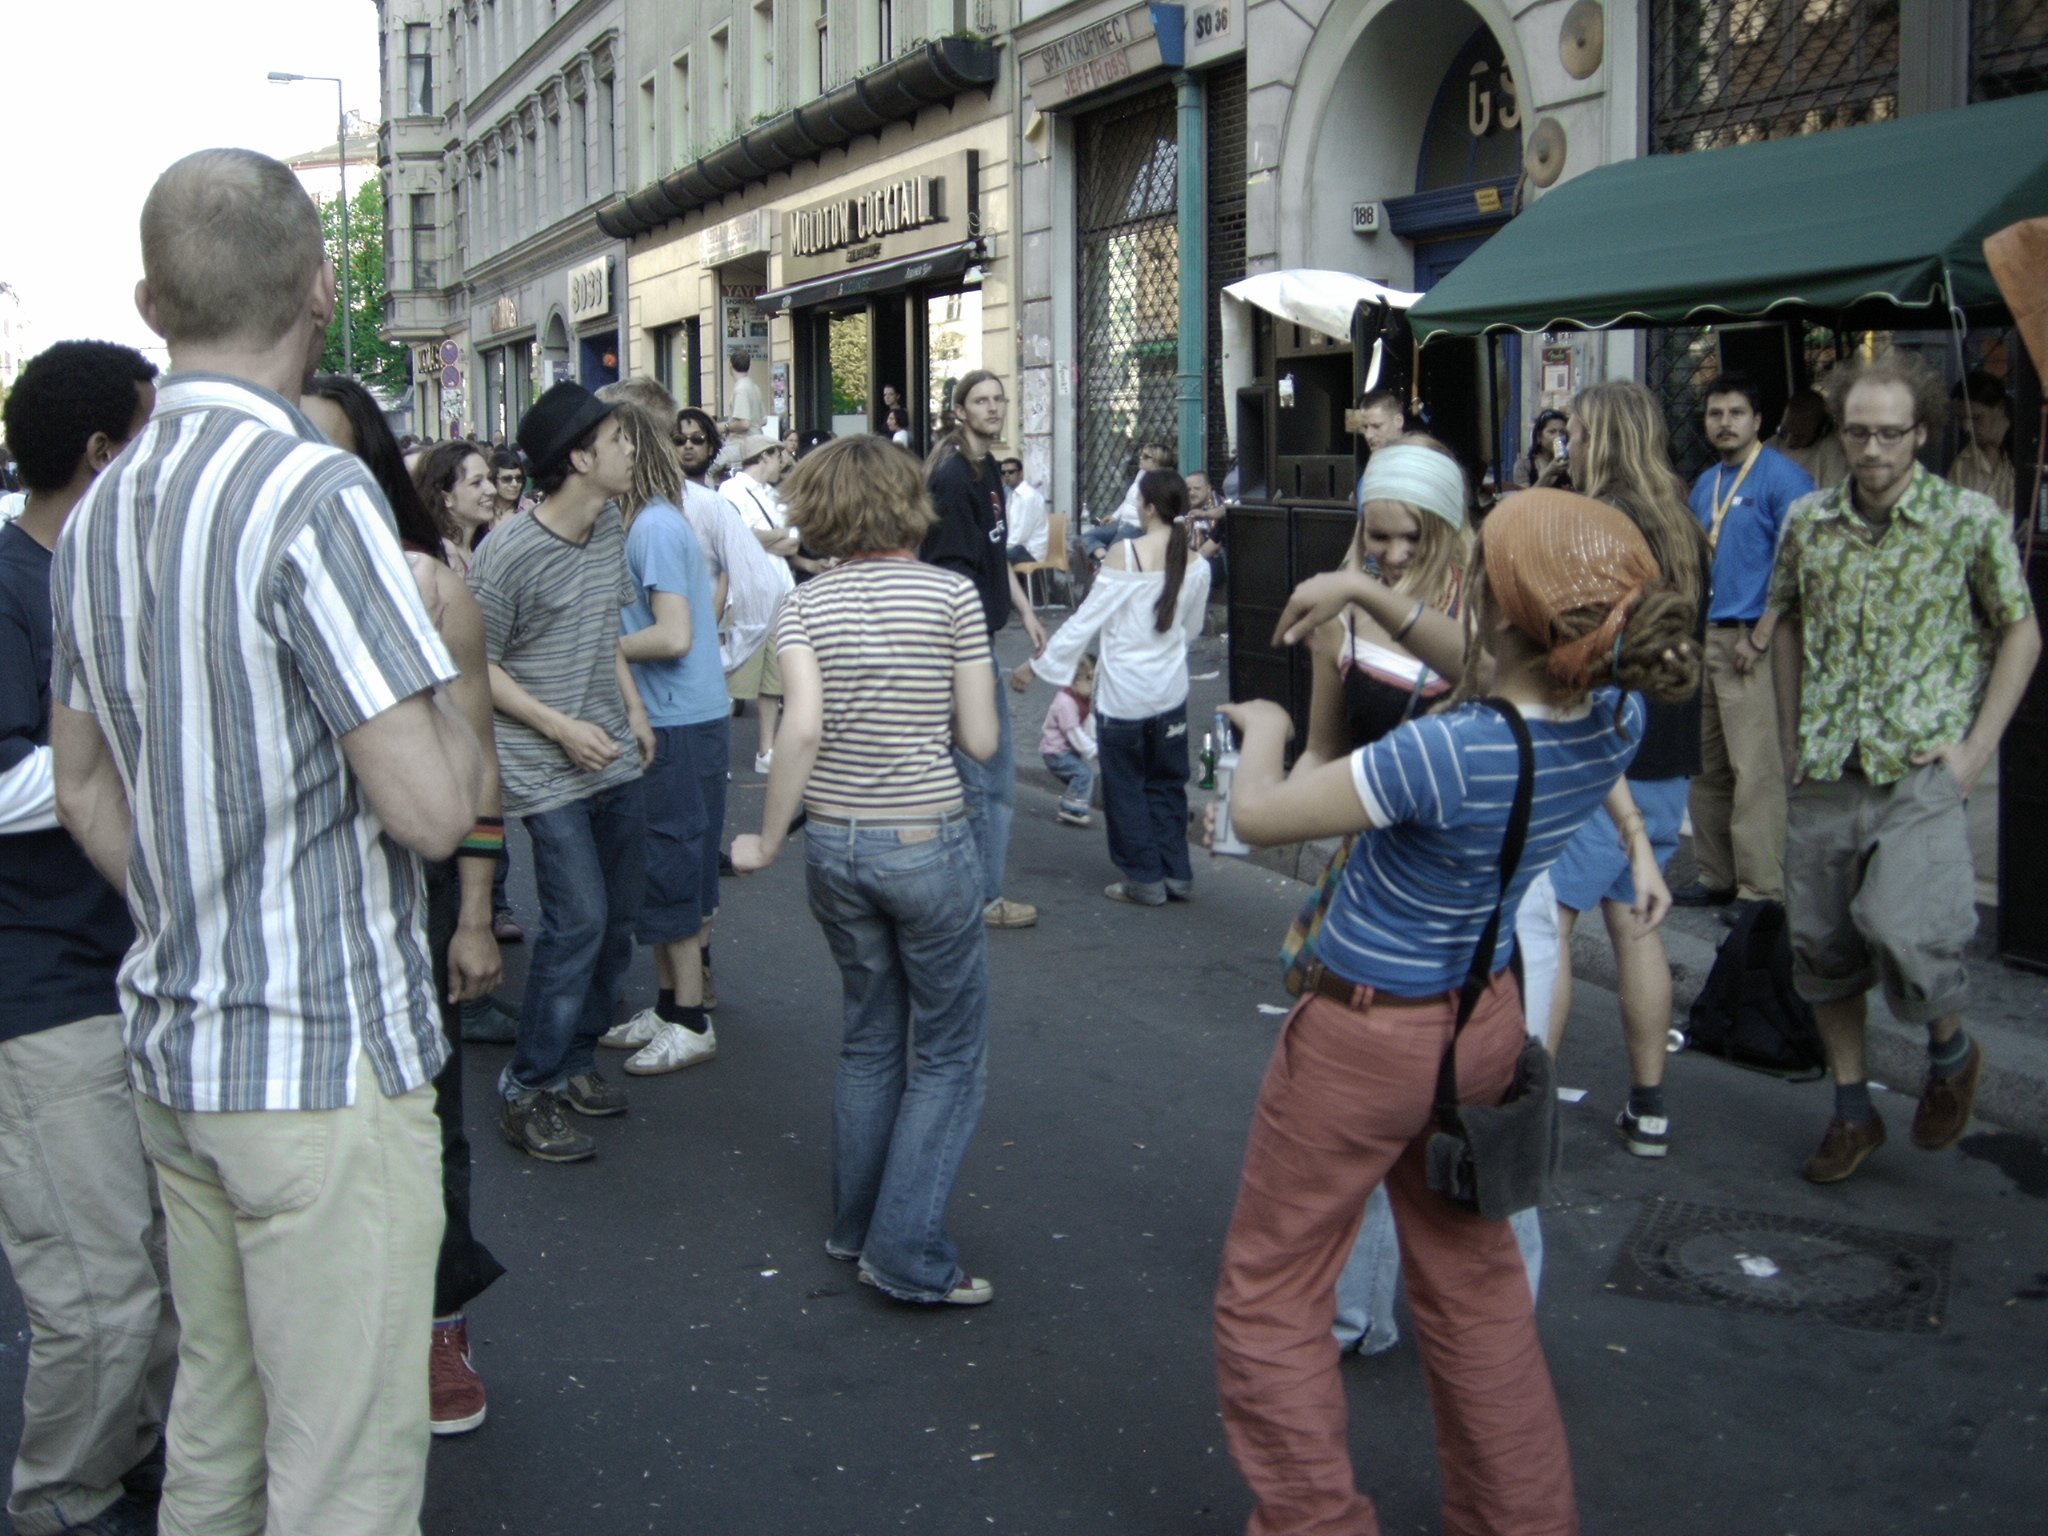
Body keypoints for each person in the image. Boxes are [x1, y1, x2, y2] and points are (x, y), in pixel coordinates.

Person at [50, 148, 483, 1535]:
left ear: (150, 300)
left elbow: (81, 789)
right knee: (342, 1474)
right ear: (320, 285)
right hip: (318, 1062)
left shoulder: (99, 509)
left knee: (219, 1442)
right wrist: (458, 667)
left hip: (179, 1046)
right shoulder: (314, 494)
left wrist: (198, 900)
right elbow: (426, 809)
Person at [1213, 487, 1696, 1536]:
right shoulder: (1614, 716)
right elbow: (1494, 659)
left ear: (1487, 599)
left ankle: (1312, 1521)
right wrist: (1364, 594)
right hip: (1478, 1027)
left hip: (1360, 1036)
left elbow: (1256, 817)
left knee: (1272, 1287)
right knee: (1475, 1297)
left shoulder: (1444, 752)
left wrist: (1269, 725)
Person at [730, 435, 1001, 1305]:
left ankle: (855, 1228)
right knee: (950, 1053)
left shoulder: (807, 605)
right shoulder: (951, 595)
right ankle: (907, 1248)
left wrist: (768, 841)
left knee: (870, 1037)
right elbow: (984, 741)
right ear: (905, 503)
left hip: (837, 849)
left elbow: (799, 729)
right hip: (925, 840)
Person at [1770, 350, 2040, 1184]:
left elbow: (2021, 632)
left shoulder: (1966, 521)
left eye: (1891, 434)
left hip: (1919, 768)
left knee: (1905, 928)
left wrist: (1973, 750)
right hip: (1825, 763)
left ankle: (1951, 1051)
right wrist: (1788, 739)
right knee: (1822, 947)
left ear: (1921, 434)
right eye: (1859, 433)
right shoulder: (1809, 522)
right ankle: (1854, 1114)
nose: (1873, 450)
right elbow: (1781, 622)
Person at [301, 372, 510, 1437]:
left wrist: (474, 910)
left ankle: (437, 1320)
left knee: (428, 1108)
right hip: (297, 893)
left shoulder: (429, 585)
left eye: (335, 452)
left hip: (415, 887)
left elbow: (475, 762)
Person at [1, 340, 177, 1536]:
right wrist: (117, 746)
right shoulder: (8, 584)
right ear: (103, 454)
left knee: (160, 1285)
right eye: (150, 439)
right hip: (39, 987)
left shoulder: (110, 578)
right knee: (100, 1294)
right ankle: (62, 1504)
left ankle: (132, 1469)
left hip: (131, 973)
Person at [467, 381, 656, 1164]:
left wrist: (634, 711)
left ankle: (576, 1059)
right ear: (579, 458)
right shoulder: (507, 551)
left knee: (616, 919)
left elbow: (603, 629)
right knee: (577, 917)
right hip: (544, 762)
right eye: (617, 440)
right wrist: (559, 726)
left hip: (610, 749)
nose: (629, 450)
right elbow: (477, 665)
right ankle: (529, 1085)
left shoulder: (609, 522)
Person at [1544, 380, 1712, 1159]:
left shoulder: (1596, 523)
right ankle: (1650, 1109)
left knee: (1550, 924)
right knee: (1639, 928)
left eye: (1573, 431)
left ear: (1600, 436)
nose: (1564, 444)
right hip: (1670, 743)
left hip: (1601, 748)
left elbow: (1573, 642)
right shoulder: (1684, 521)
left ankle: (1528, 1103)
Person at [587, 396, 728, 1077]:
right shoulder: (647, 524)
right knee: (666, 866)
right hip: (675, 718)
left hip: (676, 720)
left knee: (672, 866)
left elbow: (673, 635)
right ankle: (671, 1007)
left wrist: (597, 644)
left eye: (609, 441)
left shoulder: (654, 529)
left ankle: (692, 1018)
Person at [1015, 468, 1210, 904]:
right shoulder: (1196, 563)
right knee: (1166, 785)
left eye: (1137, 500)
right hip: (1171, 693)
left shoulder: (1125, 555)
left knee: (1125, 788)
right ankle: (1177, 872)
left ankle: (1144, 878)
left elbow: (1086, 620)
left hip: (1124, 698)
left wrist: (1037, 664)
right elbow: (1191, 628)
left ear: (1150, 507)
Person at [1672, 371, 1814, 915]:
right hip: (1707, 637)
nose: (1724, 422)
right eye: (1715, 413)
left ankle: (1761, 889)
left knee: (1755, 770)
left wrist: (1761, 637)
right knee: (1707, 768)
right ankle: (1716, 876)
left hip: (1753, 643)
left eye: (1736, 413)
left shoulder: (1785, 479)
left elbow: (1798, 564)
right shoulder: (1707, 483)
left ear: (1758, 420)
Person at [922, 369, 1049, 928]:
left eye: (999, 399)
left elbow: (994, 554)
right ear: (959, 411)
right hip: (963, 649)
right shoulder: (953, 480)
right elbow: (951, 577)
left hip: (981, 642)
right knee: (988, 779)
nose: (994, 408)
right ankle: (981, 898)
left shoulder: (989, 468)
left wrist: (1025, 610)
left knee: (970, 775)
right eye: (981, 400)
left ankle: (961, 887)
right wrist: (970, 660)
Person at [721, 434, 797, 772]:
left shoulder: (774, 496)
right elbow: (738, 536)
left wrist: (768, 538)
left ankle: (766, 751)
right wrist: (776, 536)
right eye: (778, 455)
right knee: (731, 675)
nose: (782, 462)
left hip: (779, 593)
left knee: (773, 680)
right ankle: (715, 754)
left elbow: (792, 546)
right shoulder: (731, 490)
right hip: (747, 595)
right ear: (765, 456)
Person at [409, 439, 496, 577]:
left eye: (490, 479)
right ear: (446, 498)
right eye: (476, 483)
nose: (492, 490)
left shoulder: (488, 547)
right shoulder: (437, 557)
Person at [1082, 441, 1170, 560]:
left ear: (1157, 461)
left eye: (1145, 456)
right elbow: (1128, 500)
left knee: (1115, 552)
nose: (1140, 458)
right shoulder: (1141, 474)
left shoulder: (1160, 483)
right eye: (1141, 455)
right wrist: (1115, 516)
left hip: (1135, 526)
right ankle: (1104, 560)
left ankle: (1107, 563)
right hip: (1122, 522)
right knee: (1087, 537)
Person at [1039, 654, 1099, 826]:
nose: (1093, 689)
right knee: (1083, 774)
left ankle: (1072, 805)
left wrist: (1096, 739)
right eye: (1091, 683)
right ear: (1076, 682)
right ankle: (1071, 809)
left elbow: (1088, 721)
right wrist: (1093, 750)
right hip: (1056, 752)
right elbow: (1073, 732)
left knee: (1081, 776)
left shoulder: (1079, 698)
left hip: (1064, 751)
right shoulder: (1065, 703)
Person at [1947, 369, 2016, 510]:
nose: (1966, 427)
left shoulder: (2025, 455)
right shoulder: (1961, 465)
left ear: (2000, 408)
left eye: (1976, 418)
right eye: (1962, 419)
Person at [1771, 387, 1849, 490]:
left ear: (1823, 430)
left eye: (1799, 437)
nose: (1789, 442)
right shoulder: (1770, 447)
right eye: (1784, 431)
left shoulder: (1834, 450)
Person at [1001, 455, 1050, 565]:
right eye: (1004, 473)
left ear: (1021, 473)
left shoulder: (1028, 496)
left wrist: (1000, 548)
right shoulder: (1012, 494)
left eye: (1011, 472)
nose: (1007, 476)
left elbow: (1021, 534)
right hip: (1019, 547)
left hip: (1031, 551)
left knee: (992, 558)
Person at [1520, 407, 1569, 487]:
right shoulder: (1524, 465)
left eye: (1562, 432)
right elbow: (1525, 498)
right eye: (1552, 432)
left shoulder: (1570, 464)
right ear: (1539, 436)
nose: (1558, 436)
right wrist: (1549, 473)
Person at [1351, 388, 1409, 454]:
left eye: (1376, 426)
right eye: (1365, 427)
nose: (1368, 435)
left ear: (1399, 421)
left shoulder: (1416, 459)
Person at [489, 446, 532, 522]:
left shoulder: (529, 509)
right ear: (493, 480)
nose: (514, 484)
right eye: (507, 479)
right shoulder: (483, 510)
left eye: (519, 478)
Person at [728, 348, 767, 429]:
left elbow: (744, 424)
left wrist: (725, 427)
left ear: (730, 365)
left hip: (741, 440)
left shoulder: (740, 389)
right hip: (757, 437)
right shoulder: (755, 387)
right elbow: (763, 420)